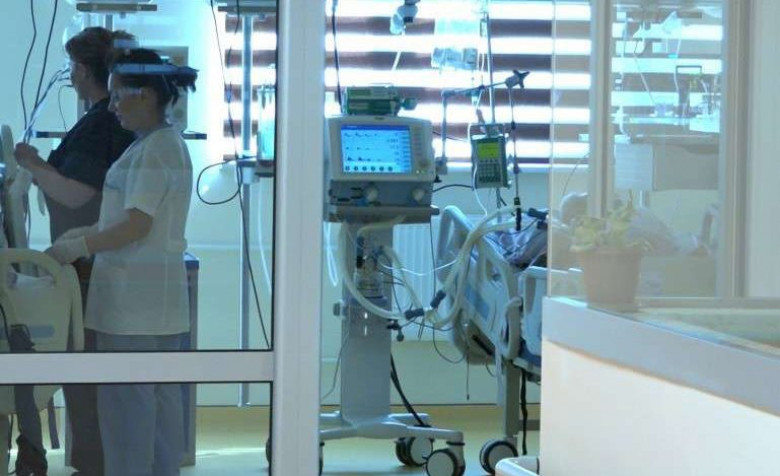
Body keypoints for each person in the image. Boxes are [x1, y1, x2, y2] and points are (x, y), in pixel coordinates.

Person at [46, 48, 197, 476]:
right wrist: (87, 232)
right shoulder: (161, 144)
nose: (111, 106)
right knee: (158, 409)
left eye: (117, 96)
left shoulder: (155, 150)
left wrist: (81, 246)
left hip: (134, 305)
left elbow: (137, 225)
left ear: (144, 94)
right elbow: (130, 216)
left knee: (129, 410)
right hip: (155, 303)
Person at [13, 27, 137, 476]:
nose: (69, 74)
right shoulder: (101, 121)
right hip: (86, 260)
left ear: (83, 71)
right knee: (83, 370)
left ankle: (95, 464)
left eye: (72, 66)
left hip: (88, 263)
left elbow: (75, 194)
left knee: (84, 369)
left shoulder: (103, 122)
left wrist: (31, 163)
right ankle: (94, 461)